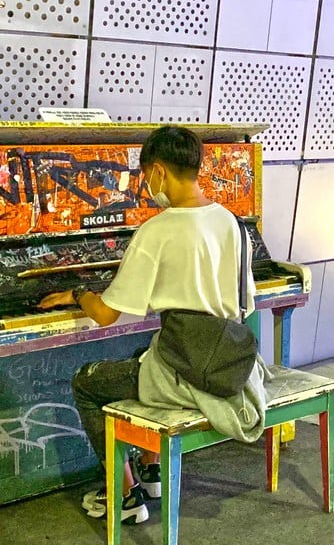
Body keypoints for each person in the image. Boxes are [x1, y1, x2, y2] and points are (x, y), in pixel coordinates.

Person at [38, 126, 265, 523]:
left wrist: (78, 294)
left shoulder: (156, 230)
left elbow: (107, 313)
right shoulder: (231, 222)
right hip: (226, 362)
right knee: (141, 354)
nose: (147, 186)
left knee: (87, 382)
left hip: (188, 374)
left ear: (158, 171)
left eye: (145, 177)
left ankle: (124, 498)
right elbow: (245, 301)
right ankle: (152, 470)